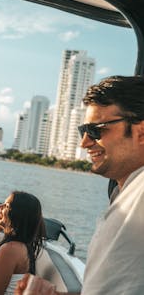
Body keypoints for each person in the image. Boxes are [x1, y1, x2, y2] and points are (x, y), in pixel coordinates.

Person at [16, 76, 144, 294]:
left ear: (140, 132)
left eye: (96, 130)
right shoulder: (124, 194)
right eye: (82, 131)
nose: (84, 142)